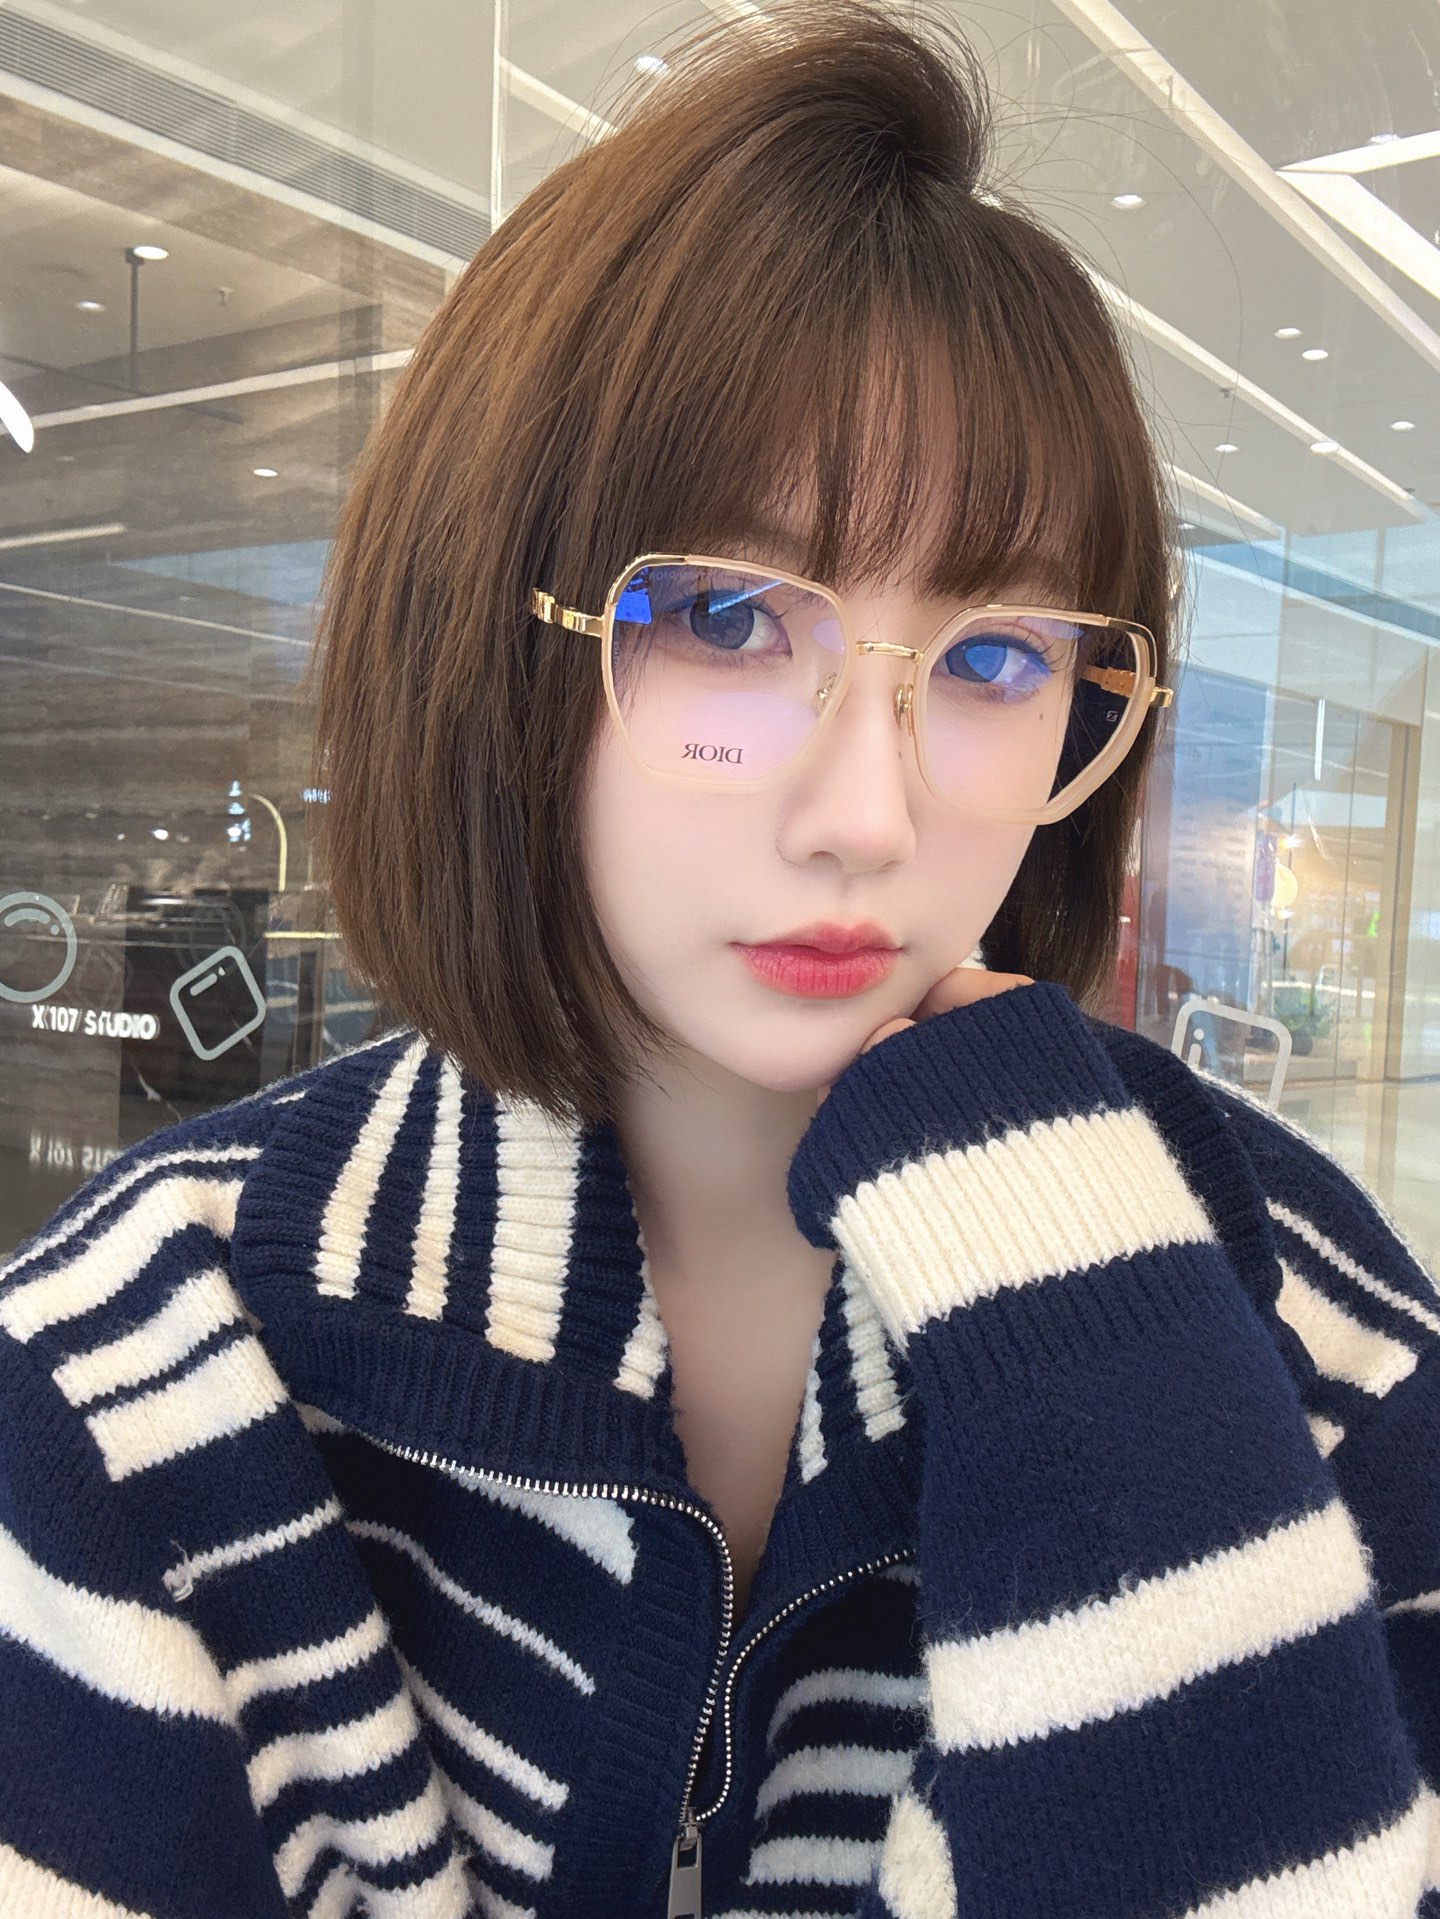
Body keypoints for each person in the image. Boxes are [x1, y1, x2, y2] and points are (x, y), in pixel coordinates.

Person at [2, 4, 1437, 1915]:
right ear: (488, 632)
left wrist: (1124, 1407)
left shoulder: (1305, 1331)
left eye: (995, 658)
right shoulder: (147, 1358)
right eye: (726, 621)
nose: (868, 814)